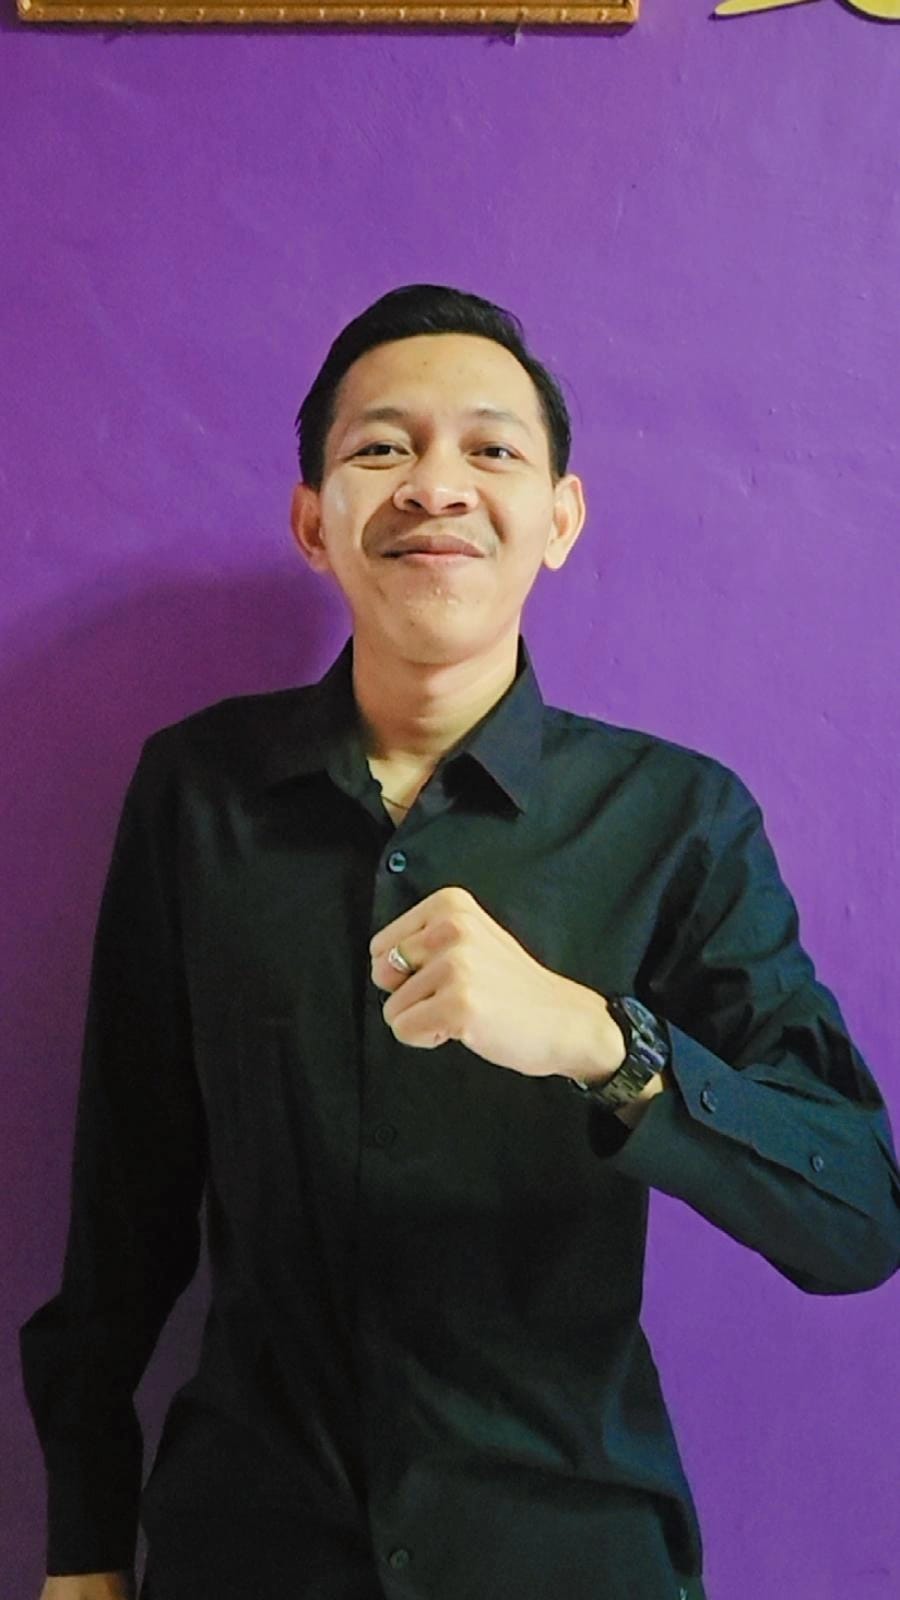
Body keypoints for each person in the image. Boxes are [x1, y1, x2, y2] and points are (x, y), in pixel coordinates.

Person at [21, 283, 900, 1600]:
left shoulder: (678, 819)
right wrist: (85, 1543)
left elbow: (857, 1219)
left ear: (559, 519)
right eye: (383, 447)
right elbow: (125, 1198)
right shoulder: (197, 793)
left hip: (567, 1548)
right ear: (314, 522)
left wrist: (600, 1042)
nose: (436, 486)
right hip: (249, 1549)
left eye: (491, 449)